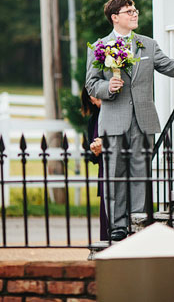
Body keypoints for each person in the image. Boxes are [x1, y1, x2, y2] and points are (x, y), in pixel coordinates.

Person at [86, 0, 174, 241]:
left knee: (141, 174)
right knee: (115, 175)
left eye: (135, 10)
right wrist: (108, 87)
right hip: (113, 121)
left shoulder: (148, 45)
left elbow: (170, 66)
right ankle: (118, 226)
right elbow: (91, 84)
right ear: (114, 17)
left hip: (143, 120)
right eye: (128, 11)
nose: (134, 14)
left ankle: (138, 220)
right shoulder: (99, 46)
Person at [80, 87, 108, 241]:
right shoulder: (94, 119)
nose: (94, 100)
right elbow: (89, 152)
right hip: (103, 169)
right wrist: (94, 150)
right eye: (92, 97)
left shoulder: (114, 114)